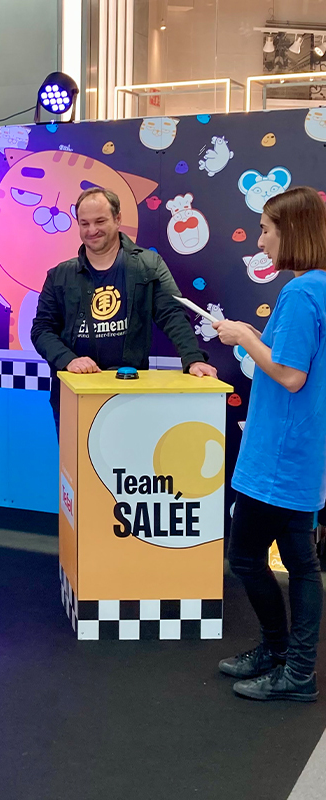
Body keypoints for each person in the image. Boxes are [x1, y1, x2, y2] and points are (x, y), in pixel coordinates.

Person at [213, 186, 326, 702]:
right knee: (300, 562)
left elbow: (290, 374)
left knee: (248, 557)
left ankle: (291, 666)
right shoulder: (315, 289)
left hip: (280, 455)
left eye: (265, 230)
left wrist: (243, 337)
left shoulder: (301, 294)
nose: (260, 241)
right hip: (299, 450)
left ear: (291, 231)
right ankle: (286, 660)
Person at [31, 187, 217, 429]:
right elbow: (42, 330)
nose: (91, 230)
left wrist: (193, 359)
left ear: (118, 219)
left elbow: (172, 314)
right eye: (84, 223)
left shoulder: (149, 265)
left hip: (131, 396)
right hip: (73, 398)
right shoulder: (59, 275)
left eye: (100, 221)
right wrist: (69, 360)